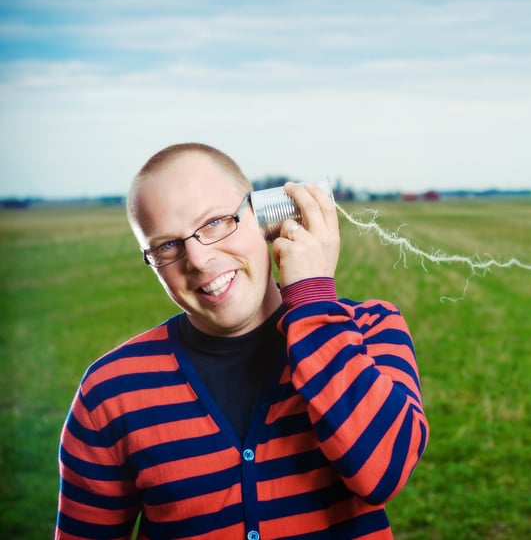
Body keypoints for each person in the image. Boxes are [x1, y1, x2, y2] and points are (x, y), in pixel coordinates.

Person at [56, 143, 429, 539]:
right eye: (166, 245)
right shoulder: (108, 392)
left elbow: (383, 474)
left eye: (215, 221)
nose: (197, 260)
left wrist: (313, 300)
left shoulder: (370, 328)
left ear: (265, 216)